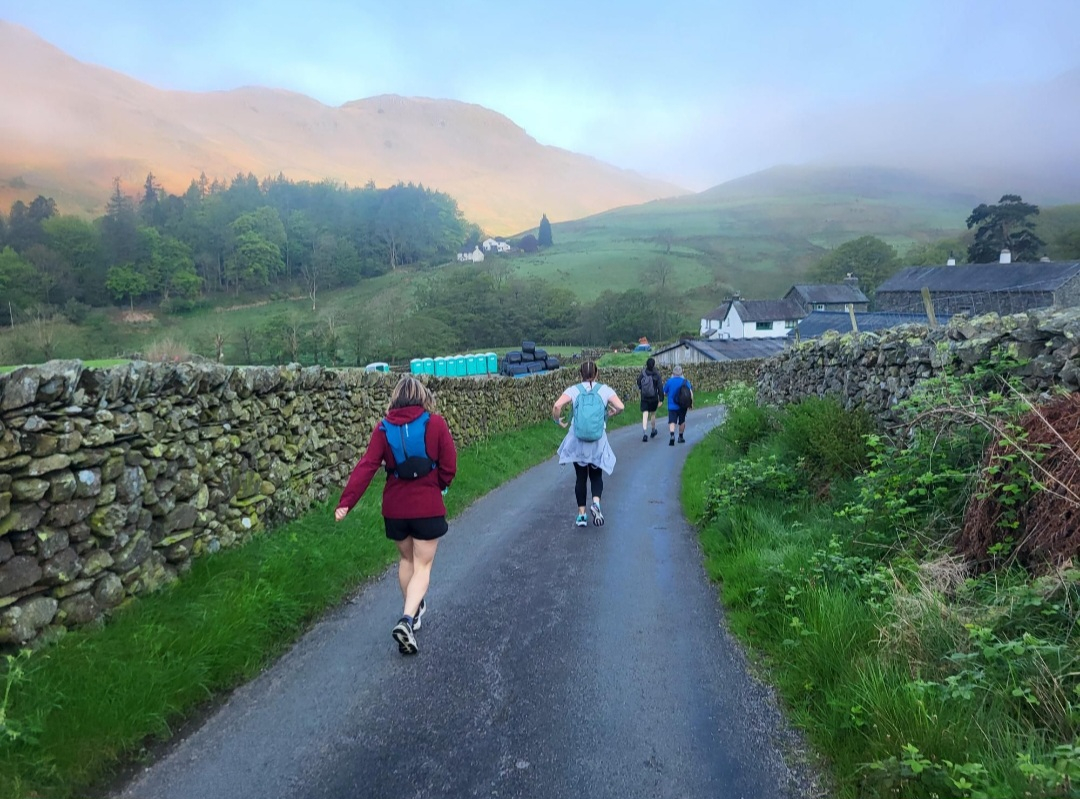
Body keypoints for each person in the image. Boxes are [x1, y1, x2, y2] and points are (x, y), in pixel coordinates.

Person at [335, 375, 457, 656]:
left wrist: (346, 502)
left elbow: (367, 466)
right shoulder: (435, 423)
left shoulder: (382, 428)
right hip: (426, 506)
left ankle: (412, 611)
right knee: (423, 566)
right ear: (422, 396)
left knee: (406, 560)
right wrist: (438, 484)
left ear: (395, 398)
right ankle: (406, 619)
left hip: (395, 509)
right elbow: (449, 465)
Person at [552, 360, 625, 527]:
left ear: (580, 374)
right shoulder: (604, 390)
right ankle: (596, 503)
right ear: (597, 373)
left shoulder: (574, 390)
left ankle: (582, 515)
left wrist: (558, 421)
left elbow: (557, 406)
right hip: (598, 441)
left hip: (578, 441)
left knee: (580, 478)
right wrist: (613, 412)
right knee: (596, 475)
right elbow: (621, 406)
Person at [663, 364, 694, 446]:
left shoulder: (669, 381)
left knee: (672, 421)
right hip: (683, 405)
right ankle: (680, 437)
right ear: (681, 373)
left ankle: (672, 435)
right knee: (682, 421)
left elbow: (664, 392)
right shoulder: (686, 381)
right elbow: (690, 393)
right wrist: (691, 403)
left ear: (673, 373)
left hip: (672, 405)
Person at [637, 356, 664, 442]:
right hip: (654, 397)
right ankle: (653, 430)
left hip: (644, 397)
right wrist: (661, 399)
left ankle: (644, 433)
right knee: (652, 414)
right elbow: (660, 387)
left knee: (645, 414)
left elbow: (638, 382)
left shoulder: (643, 373)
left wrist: (642, 388)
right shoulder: (656, 374)